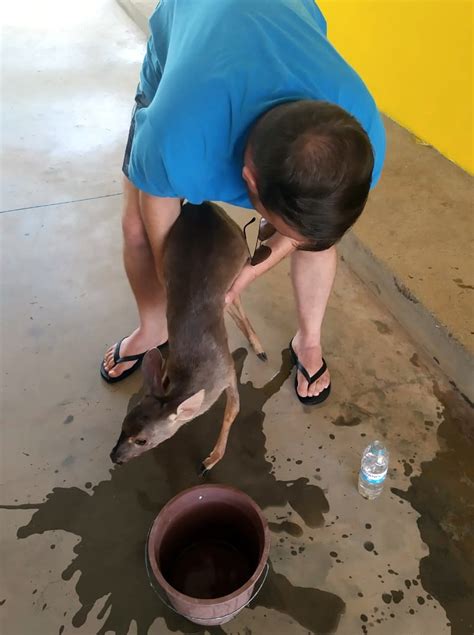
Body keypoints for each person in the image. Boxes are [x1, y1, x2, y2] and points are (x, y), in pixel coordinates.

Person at [101, 0, 386, 405]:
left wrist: (251, 270)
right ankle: (152, 329)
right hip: (189, 25)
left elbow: (314, 232)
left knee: (319, 234)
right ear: (246, 180)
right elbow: (157, 207)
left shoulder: (361, 136)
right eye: (280, 225)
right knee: (135, 230)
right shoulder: (176, 139)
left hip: (282, 15)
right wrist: (186, 296)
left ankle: (309, 340)